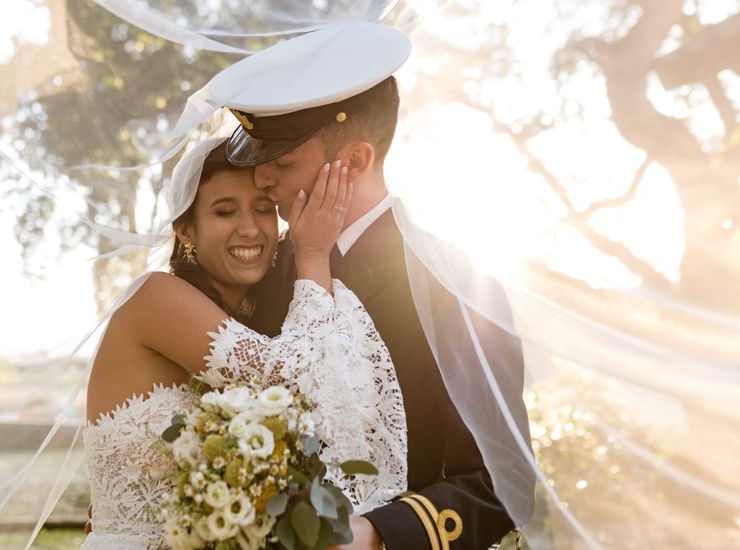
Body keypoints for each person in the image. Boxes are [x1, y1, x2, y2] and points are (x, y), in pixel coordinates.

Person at [209, 23, 535, 549]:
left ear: (355, 160)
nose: (260, 179)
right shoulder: (257, 268)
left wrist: (378, 533)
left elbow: (502, 483)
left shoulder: (456, 287)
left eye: (283, 161)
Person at [82, 136, 409, 549]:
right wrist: (312, 253)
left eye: (263, 209)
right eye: (224, 211)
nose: (250, 228)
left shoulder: (255, 320)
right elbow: (296, 382)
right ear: (186, 230)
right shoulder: (154, 297)